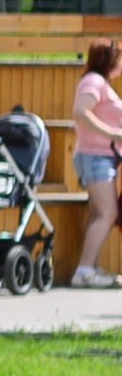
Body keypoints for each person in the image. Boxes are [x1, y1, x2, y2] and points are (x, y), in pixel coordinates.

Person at [71, 41, 122, 287]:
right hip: (95, 158)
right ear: (109, 60)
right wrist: (113, 133)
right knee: (107, 213)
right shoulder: (94, 81)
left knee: (98, 214)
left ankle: (89, 268)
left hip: (101, 158)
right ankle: (84, 271)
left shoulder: (99, 82)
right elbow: (81, 112)